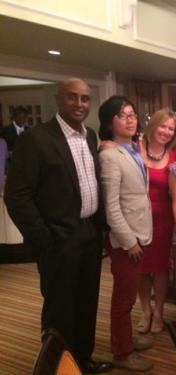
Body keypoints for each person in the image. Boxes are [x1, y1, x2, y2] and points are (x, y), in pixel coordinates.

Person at [4, 78, 112, 373]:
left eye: (85, 99)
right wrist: (44, 239)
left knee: (86, 304)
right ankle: (57, 369)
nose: (79, 104)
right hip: (58, 240)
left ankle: (82, 362)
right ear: (58, 99)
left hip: (90, 233)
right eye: (72, 97)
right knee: (60, 311)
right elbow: (16, 196)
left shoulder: (90, 136)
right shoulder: (37, 138)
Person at [98, 96, 154, 372]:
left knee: (128, 295)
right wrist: (129, 242)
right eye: (122, 115)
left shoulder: (131, 148)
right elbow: (111, 207)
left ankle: (125, 337)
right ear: (110, 124)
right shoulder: (109, 155)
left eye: (133, 114)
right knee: (123, 299)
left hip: (140, 233)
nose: (130, 119)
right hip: (125, 241)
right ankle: (122, 352)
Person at [136, 108, 176, 335]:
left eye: (171, 129)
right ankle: (145, 311)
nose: (166, 131)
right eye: (163, 126)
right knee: (142, 269)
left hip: (164, 219)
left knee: (161, 269)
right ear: (153, 125)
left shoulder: (174, 155)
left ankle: (160, 312)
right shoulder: (134, 149)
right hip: (138, 220)